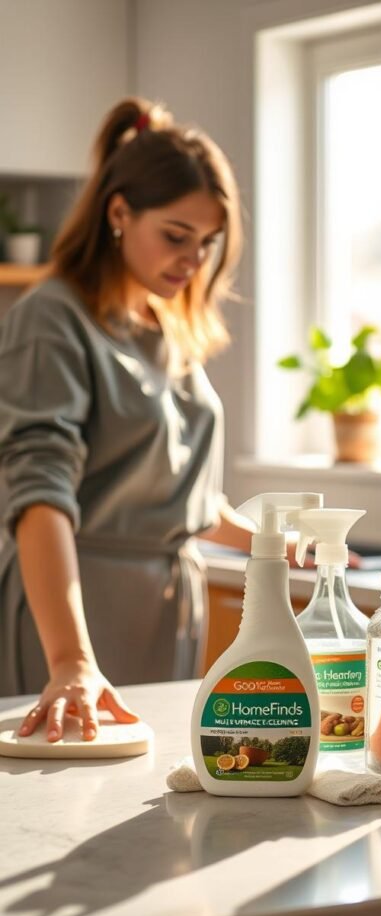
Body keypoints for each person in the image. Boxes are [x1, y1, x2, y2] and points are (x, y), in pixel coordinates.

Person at [0, 96, 254, 743]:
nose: (194, 261)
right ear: (118, 212)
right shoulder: (52, 318)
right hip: (74, 609)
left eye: (206, 243)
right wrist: (72, 661)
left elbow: (178, 496)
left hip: (168, 607)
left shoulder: (163, 326)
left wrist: (284, 545)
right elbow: (40, 497)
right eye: (176, 236)